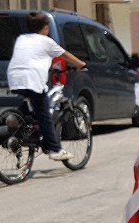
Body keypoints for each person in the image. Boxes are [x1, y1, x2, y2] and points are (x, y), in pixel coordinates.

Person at [6, 12, 86, 162]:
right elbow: (65, 55)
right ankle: (55, 149)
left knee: (32, 104)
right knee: (44, 114)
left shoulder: (21, 38)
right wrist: (81, 64)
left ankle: (15, 119)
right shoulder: (46, 41)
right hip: (33, 79)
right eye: (47, 26)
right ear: (44, 28)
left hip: (14, 78)